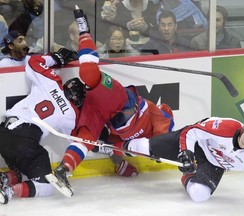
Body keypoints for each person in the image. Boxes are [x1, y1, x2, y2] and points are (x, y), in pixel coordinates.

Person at [45, 5, 174, 197]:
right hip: (122, 102)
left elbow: (116, 147)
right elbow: (163, 136)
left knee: (85, 137)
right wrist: (161, 151)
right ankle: (84, 31)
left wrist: (124, 165)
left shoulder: (135, 142)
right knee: (89, 74)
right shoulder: (161, 115)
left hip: (105, 116)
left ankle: (63, 170)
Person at [114, 117, 244, 212]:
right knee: (144, 148)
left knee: (199, 195)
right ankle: (115, 148)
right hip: (196, 144)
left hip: (213, 163)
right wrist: (186, 152)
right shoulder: (225, 127)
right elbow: (191, 132)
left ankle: (188, 176)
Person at [0, 48, 80, 204]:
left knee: (24, 171)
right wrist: (102, 145)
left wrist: (57, 58)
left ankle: (5, 179)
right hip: (26, 143)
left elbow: (32, 61)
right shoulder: (71, 114)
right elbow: (77, 141)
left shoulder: (51, 82)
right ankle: (9, 191)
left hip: (3, 133)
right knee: (47, 186)